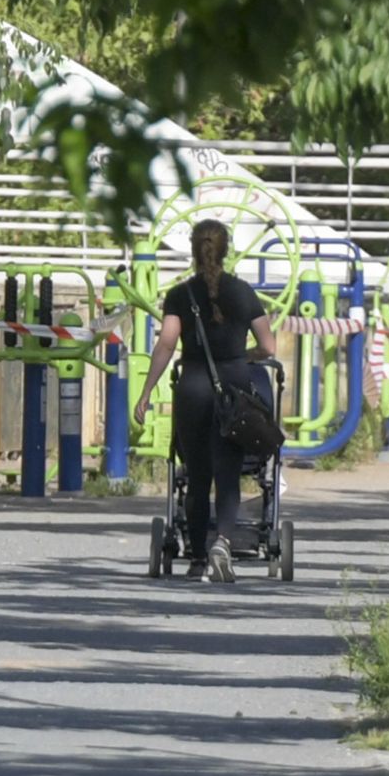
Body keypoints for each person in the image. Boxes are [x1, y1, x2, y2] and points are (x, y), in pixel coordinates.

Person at [135, 219, 276, 582]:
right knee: (227, 474)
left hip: (193, 388)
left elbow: (167, 343)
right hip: (233, 389)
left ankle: (197, 557)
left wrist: (147, 391)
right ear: (225, 249)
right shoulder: (243, 292)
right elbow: (268, 347)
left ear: (193, 250)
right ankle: (222, 543)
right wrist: (244, 356)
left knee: (196, 476)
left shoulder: (181, 295)